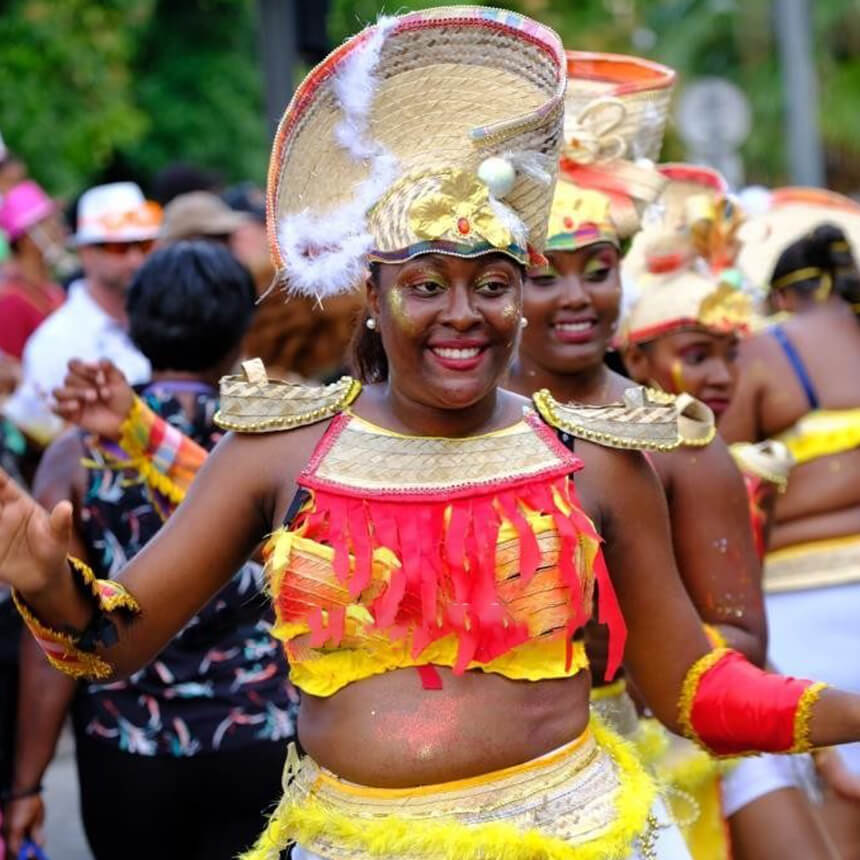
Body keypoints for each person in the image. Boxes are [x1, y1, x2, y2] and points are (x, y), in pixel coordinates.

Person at [4, 9, 860, 860]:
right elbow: (113, 643)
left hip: (580, 837)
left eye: (491, 283)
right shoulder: (280, 453)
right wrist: (48, 583)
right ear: (373, 300)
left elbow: (690, 688)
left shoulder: (594, 457)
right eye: (426, 285)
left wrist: (849, 711)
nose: (464, 315)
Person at [506, 59, 835, 858]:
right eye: (547, 277)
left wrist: (640, 665)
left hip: (663, 754)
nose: (578, 298)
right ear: (503, 284)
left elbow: (739, 633)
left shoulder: (677, 439)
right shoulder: (456, 430)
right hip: (481, 769)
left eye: (599, 271)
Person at [4, 241, 295, 860]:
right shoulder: (277, 440)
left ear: (133, 327)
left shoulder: (77, 453)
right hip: (264, 735)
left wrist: (24, 783)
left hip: (129, 746)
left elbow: (54, 625)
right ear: (243, 327)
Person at [719, 190, 860, 858]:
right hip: (806, 618)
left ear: (780, 293)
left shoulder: (764, 353)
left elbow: (721, 496)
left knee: (838, 803)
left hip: (801, 618)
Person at [2, 182, 160, 444]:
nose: (135, 259)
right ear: (86, 252)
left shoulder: (170, 322)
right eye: (118, 248)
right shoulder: (55, 341)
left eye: (144, 245)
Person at [0, 180, 66, 360]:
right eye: (48, 223)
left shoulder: (53, 291)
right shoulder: (10, 302)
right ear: (27, 238)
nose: (59, 229)